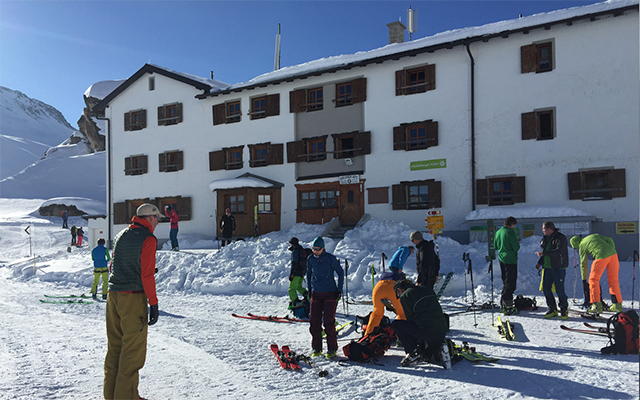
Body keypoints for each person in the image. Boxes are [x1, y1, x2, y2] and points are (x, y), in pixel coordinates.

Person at [104, 203, 160, 400]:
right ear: (150, 218)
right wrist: (153, 303)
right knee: (132, 351)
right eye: (157, 218)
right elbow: (146, 276)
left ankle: (111, 395)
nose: (158, 221)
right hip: (133, 296)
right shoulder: (148, 238)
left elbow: (112, 266)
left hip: (113, 296)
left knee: (115, 348)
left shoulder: (121, 235)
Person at [390, 279, 450, 369]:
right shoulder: (427, 289)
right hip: (441, 331)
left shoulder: (405, 295)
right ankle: (440, 346)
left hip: (427, 332)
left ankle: (413, 352)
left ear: (400, 290)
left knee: (397, 324)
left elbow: (410, 319)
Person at [306, 237, 344, 358]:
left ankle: (332, 349)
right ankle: (316, 348)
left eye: (318, 249)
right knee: (314, 321)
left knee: (328, 321)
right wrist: (309, 289)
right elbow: (308, 274)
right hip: (316, 292)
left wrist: (339, 289)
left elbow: (340, 272)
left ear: (323, 248)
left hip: (330, 292)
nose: (315, 251)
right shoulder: (310, 259)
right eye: (313, 249)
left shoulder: (330, 258)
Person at [570, 234, 623, 313]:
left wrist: (584, 279)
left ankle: (596, 306)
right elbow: (610, 240)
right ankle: (617, 305)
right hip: (613, 255)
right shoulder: (594, 236)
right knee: (613, 280)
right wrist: (611, 250)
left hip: (601, 255)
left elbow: (583, 264)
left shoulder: (582, 245)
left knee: (593, 280)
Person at [535, 222, 569, 319]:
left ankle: (564, 308)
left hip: (558, 267)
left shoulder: (560, 238)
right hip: (547, 268)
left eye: (544, 229)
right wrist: (540, 262)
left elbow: (559, 251)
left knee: (559, 289)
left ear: (549, 229)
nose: (543, 230)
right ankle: (552, 308)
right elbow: (545, 252)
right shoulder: (545, 239)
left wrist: (543, 254)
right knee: (546, 289)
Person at [364, 269, 406, 336]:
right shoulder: (401, 278)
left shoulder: (384, 275)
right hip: (393, 287)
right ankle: (401, 336)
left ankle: (368, 335)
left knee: (377, 313)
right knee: (402, 313)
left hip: (378, 288)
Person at [493, 216, 520, 315]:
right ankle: (508, 304)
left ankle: (503, 303)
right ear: (512, 224)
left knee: (505, 280)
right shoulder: (510, 232)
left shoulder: (499, 232)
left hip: (501, 258)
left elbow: (495, 246)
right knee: (511, 282)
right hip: (510, 259)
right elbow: (516, 247)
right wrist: (517, 242)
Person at [287, 237, 308, 309]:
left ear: (292, 243)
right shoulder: (300, 249)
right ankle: (308, 296)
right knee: (298, 287)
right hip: (302, 273)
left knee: (291, 288)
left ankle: (295, 303)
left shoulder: (295, 251)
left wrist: (292, 273)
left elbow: (294, 263)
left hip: (296, 273)